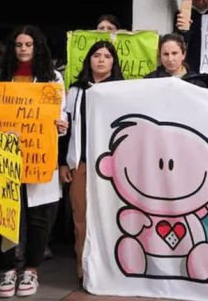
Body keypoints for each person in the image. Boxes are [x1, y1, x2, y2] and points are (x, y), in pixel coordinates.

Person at [0, 25, 68, 298]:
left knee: (39, 216)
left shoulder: (52, 78)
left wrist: (61, 125)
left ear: (37, 47)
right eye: (19, 44)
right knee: (8, 214)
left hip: (38, 154)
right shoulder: (0, 77)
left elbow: (60, 112)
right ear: (13, 48)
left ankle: (31, 269)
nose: (23, 49)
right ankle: (7, 269)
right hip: (6, 156)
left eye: (28, 44)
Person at [59, 40, 124, 280]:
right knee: (81, 218)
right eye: (96, 55)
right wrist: (63, 161)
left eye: (107, 56)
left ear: (113, 62)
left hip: (111, 166)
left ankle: (111, 269)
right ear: (89, 60)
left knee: (111, 216)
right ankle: (83, 268)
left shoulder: (122, 90)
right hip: (82, 163)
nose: (101, 60)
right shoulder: (76, 90)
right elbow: (65, 128)